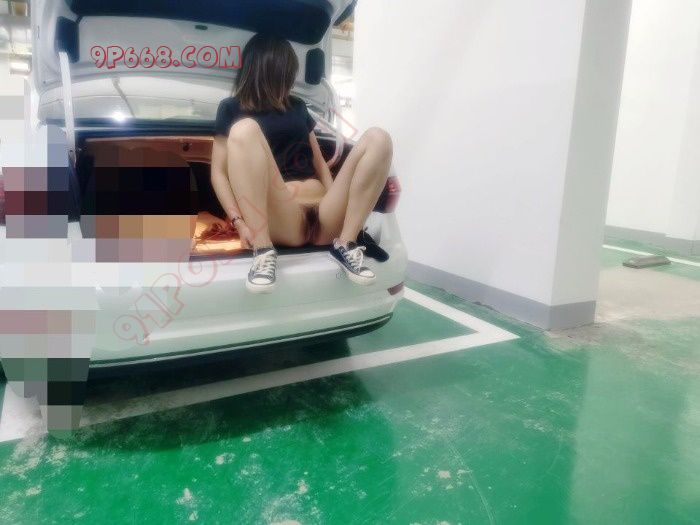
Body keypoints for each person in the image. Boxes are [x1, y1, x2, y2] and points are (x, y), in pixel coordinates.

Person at [211, 33, 393, 293]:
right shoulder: (232, 109)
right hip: (286, 217)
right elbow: (218, 173)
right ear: (268, 70)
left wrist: (337, 201)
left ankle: (347, 244)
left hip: (324, 213)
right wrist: (239, 223)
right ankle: (263, 250)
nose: (291, 79)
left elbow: (319, 162)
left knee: (378, 138)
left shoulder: (297, 106)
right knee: (244, 129)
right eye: (287, 72)